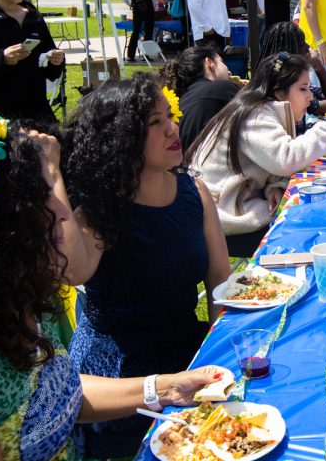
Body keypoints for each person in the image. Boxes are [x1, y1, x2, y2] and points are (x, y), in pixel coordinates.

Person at [0, 120, 227, 458]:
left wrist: (167, 387)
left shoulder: (20, 301)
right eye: (43, 199)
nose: (63, 212)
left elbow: (62, 392)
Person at [62, 73, 232, 457]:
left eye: (170, 116)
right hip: (118, 376)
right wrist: (56, 176)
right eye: (155, 123)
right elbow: (73, 272)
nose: (174, 128)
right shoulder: (99, 209)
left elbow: (222, 284)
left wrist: (223, 353)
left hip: (186, 352)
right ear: (121, 138)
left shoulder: (194, 191)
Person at [187, 53, 326, 258]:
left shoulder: (261, 109)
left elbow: (268, 161)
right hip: (222, 216)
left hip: (236, 202)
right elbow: (287, 158)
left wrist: (273, 186)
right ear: (279, 92)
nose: (310, 97)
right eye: (303, 89)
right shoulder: (255, 115)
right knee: (307, 229)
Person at [161, 44, 242, 151]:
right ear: (209, 63)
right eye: (222, 62)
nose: (229, 72)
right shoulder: (220, 89)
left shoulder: (184, 99)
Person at [260, 21, 326, 117]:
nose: (308, 47)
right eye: (301, 44)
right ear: (287, 49)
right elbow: (321, 106)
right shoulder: (280, 80)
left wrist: (317, 65)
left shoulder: (294, 75)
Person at [121, 0, 158, 64]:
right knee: (148, 31)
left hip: (136, 8)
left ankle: (131, 55)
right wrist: (155, 8)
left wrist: (132, 4)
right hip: (147, 9)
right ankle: (146, 54)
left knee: (135, 31)